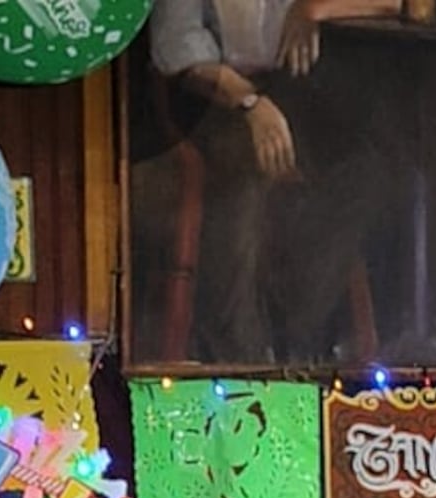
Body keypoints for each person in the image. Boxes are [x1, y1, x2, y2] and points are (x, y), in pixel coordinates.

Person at [147, 0, 404, 364]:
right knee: (245, 171)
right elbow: (178, 47)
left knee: (366, 173)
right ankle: (241, 354)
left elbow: (398, 4)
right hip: (216, 99)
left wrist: (313, 8)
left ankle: (296, 335)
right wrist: (251, 104)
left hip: (303, 89)